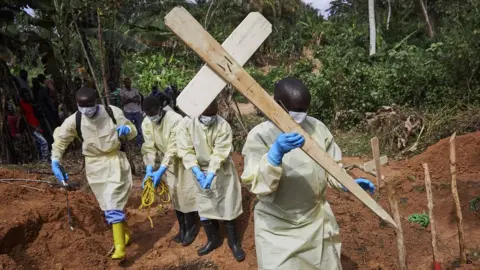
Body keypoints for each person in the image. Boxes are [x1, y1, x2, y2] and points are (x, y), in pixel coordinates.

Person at [241, 77, 376, 269]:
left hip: (316, 222)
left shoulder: (317, 129)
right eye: (293, 112)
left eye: (303, 111)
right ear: (276, 103)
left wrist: (346, 182)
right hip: (279, 229)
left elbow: (332, 167)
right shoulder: (260, 135)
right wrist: (274, 156)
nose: (300, 118)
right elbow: (257, 185)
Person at [51, 86, 137, 260]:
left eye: (89, 106)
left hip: (114, 161)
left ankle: (119, 247)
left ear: (96, 102)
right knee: (107, 204)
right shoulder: (74, 120)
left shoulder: (112, 112)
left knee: (113, 200)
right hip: (94, 165)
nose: (86, 110)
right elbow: (60, 141)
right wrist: (55, 161)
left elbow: (132, 130)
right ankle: (125, 233)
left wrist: (127, 130)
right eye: (82, 107)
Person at [177, 100, 245, 262]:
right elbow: (185, 149)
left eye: (213, 115)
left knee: (228, 205)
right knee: (205, 205)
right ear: (199, 112)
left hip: (221, 170)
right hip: (199, 169)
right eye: (206, 115)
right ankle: (213, 239)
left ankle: (234, 243)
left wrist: (212, 171)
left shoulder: (223, 126)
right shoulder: (186, 124)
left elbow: (220, 152)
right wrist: (195, 169)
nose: (210, 118)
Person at [141, 96, 198, 246]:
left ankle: (191, 230)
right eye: (148, 114)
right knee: (175, 195)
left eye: (153, 112)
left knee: (187, 194)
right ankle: (182, 229)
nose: (151, 116)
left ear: (161, 107)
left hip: (182, 160)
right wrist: (149, 168)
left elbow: (174, 147)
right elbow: (148, 146)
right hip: (167, 165)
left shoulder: (175, 119)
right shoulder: (147, 122)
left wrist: (161, 169)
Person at [18, 89, 50, 162]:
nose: (28, 97)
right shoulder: (21, 105)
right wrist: (33, 127)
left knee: (38, 144)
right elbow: (24, 120)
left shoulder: (29, 103)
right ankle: (44, 160)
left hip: (36, 125)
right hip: (32, 128)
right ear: (22, 97)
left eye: (28, 95)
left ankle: (42, 159)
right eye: (26, 96)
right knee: (44, 142)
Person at [120, 77, 144, 147]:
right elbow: (123, 102)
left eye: (129, 82)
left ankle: (140, 144)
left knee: (139, 128)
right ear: (124, 83)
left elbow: (138, 99)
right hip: (128, 112)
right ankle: (131, 145)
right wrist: (132, 99)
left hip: (137, 111)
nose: (128, 83)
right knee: (129, 128)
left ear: (130, 82)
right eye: (126, 82)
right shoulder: (122, 91)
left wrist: (128, 99)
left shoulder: (135, 90)